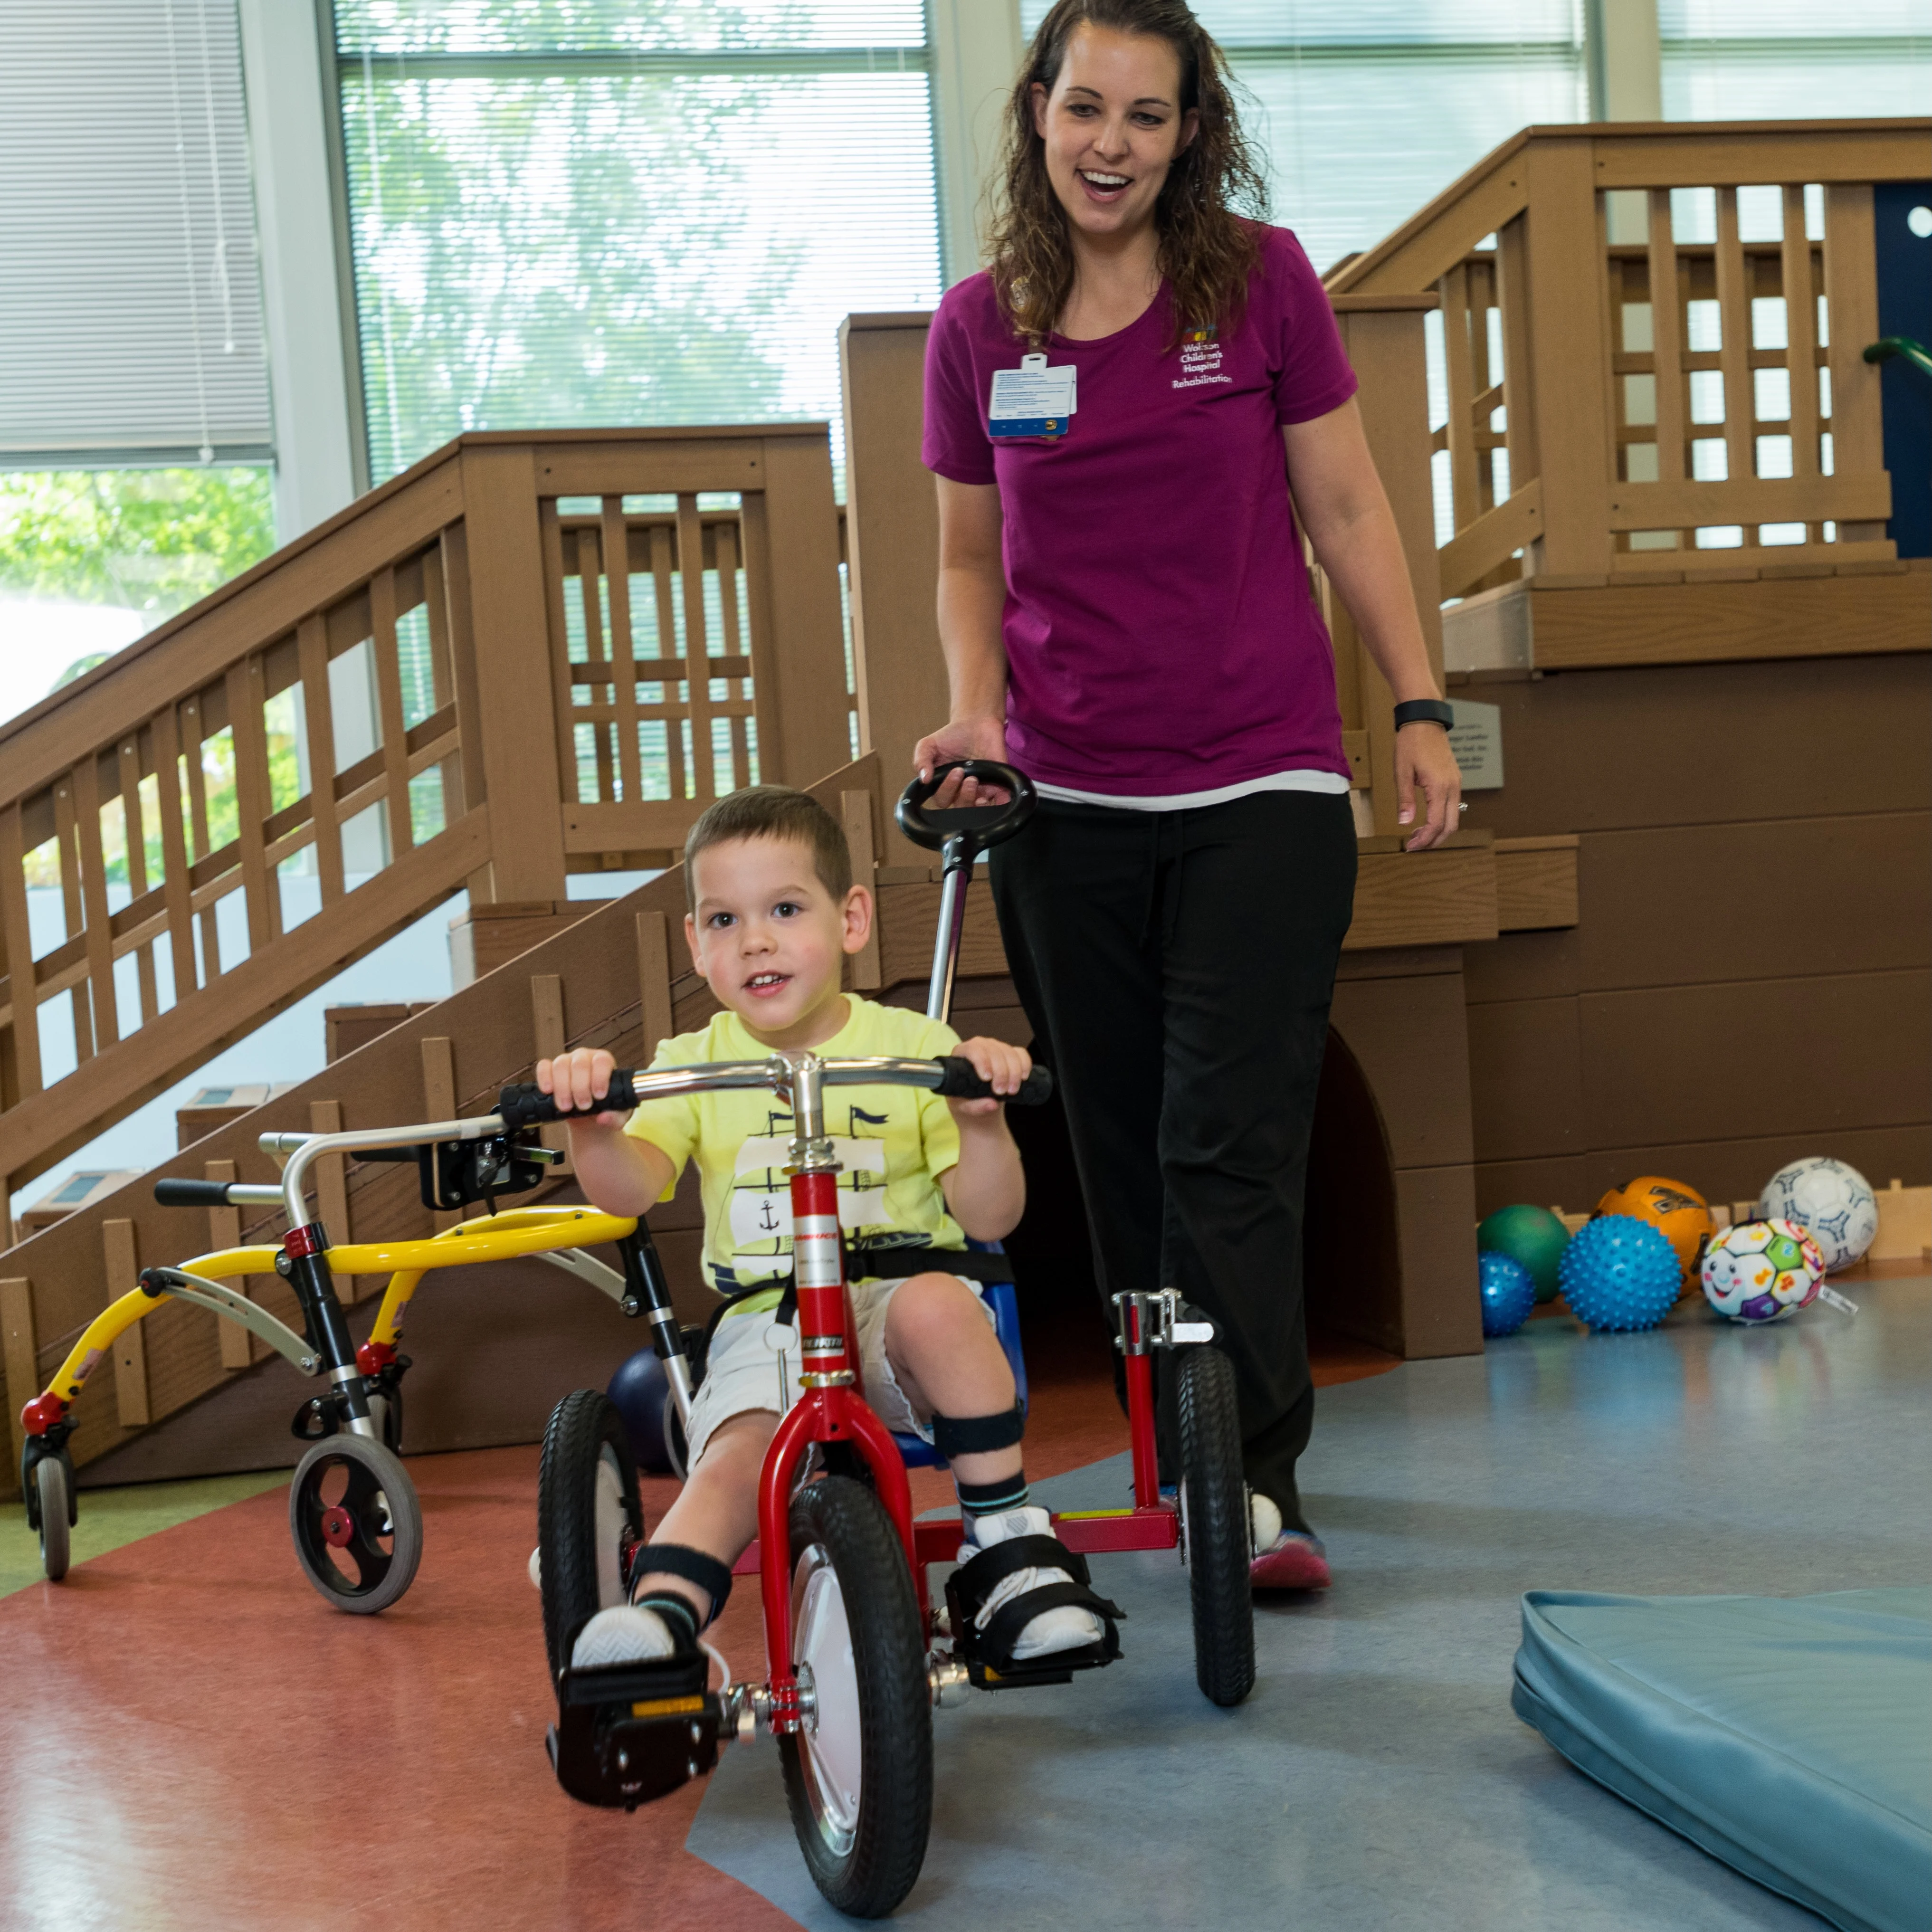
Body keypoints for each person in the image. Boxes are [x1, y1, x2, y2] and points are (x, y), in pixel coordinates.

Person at [915, 0, 1463, 1590]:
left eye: (1145, 118)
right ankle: (1176, 1453)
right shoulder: (979, 327)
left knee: (1230, 1134)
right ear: (1035, 110)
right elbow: (967, 553)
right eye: (1084, 107)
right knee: (1127, 1144)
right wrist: (973, 718)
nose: (1109, 145)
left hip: (1263, 778)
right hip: (1063, 797)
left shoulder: (1259, 281)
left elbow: (1346, 503)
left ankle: (1256, 1480)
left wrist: (1414, 700)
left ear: (1186, 134)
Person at [539, 786, 1118, 1673]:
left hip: (893, 1318)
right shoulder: (691, 1066)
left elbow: (991, 1217)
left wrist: (980, 1120)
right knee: (735, 1456)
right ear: (696, 944)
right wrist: (590, 1123)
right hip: (769, 1322)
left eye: (784, 909)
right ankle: (660, 1615)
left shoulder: (912, 1046)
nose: (755, 940)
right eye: (724, 919)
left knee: (937, 1303)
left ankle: (1006, 1547)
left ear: (850, 919)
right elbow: (628, 1192)